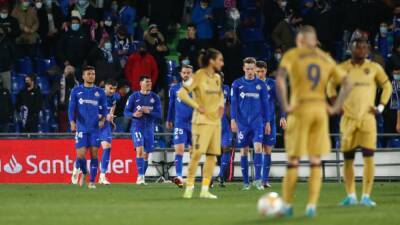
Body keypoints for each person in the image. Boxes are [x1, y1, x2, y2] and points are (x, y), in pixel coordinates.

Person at [275, 25, 352, 217]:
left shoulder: (292, 55)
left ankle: (287, 205)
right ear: (314, 40)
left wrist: (285, 105)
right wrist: (335, 107)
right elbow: (348, 83)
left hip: (300, 109)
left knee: (293, 160)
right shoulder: (324, 57)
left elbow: (279, 80)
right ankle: (311, 206)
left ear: (300, 40)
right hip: (319, 110)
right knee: (315, 160)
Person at [327, 38, 393, 207]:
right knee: (347, 159)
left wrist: (380, 107)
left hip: (367, 120)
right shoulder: (342, 68)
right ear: (351, 49)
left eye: (364, 48)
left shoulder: (374, 68)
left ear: (368, 50)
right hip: (348, 120)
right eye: (358, 48)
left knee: (368, 157)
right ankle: (351, 196)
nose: (361, 51)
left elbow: (387, 86)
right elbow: (330, 86)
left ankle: (366, 196)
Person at [178, 48, 224, 199]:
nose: (222, 63)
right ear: (212, 61)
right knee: (197, 154)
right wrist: (196, 106)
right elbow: (182, 93)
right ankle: (189, 187)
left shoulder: (217, 77)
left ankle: (205, 189)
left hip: (215, 123)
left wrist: (221, 106)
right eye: (220, 60)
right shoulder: (198, 75)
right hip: (201, 122)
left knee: (212, 156)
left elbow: (220, 94)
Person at [230, 57, 271, 191]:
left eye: (252, 69)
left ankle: (258, 181)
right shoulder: (237, 84)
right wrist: (233, 119)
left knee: (258, 148)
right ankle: (246, 183)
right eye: (247, 69)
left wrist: (268, 122)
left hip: (257, 122)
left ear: (255, 69)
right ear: (243, 69)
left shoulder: (261, 85)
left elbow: (266, 105)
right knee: (244, 151)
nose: (249, 71)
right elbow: (234, 103)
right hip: (242, 123)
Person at [69, 65, 107, 189]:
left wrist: (102, 119)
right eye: (89, 74)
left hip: (95, 129)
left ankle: (91, 182)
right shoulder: (76, 91)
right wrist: (72, 122)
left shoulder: (100, 92)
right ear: (83, 76)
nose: (91, 76)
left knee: (94, 154)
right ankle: (84, 172)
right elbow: (71, 108)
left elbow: (104, 109)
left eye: (93, 74)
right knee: (80, 155)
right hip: (81, 128)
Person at [124, 76, 162, 185]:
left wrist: (148, 111)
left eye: (150, 81)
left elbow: (159, 114)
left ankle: (141, 176)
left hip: (149, 128)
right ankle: (140, 178)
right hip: (137, 126)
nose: (150, 83)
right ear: (141, 83)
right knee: (140, 150)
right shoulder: (133, 96)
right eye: (147, 81)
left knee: (146, 155)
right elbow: (126, 112)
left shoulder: (155, 97)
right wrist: (133, 114)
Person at [255, 60, 286, 188]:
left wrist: (283, 116)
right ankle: (257, 179)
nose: (260, 74)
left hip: (270, 121)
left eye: (262, 71)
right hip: (255, 122)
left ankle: (265, 180)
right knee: (257, 149)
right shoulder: (250, 85)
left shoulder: (272, 84)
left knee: (267, 150)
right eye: (258, 71)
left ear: (266, 71)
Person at [166, 65, 194, 188]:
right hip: (179, 123)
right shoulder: (174, 89)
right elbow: (171, 105)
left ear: (192, 74)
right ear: (181, 74)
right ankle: (179, 176)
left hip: (194, 124)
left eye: (188, 72)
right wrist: (168, 119)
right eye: (184, 72)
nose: (186, 74)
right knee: (179, 150)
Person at [98, 79, 118, 185]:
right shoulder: (97, 95)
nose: (112, 91)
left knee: (107, 147)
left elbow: (112, 109)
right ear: (105, 86)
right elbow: (90, 110)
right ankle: (76, 170)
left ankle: (102, 176)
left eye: (114, 89)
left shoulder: (114, 97)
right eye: (110, 88)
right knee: (85, 150)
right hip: (93, 124)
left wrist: (111, 120)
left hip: (105, 125)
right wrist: (103, 117)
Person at [217, 72, 233, 187]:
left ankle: (221, 176)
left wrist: (233, 119)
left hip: (225, 125)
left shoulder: (226, 89)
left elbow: (230, 104)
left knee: (227, 149)